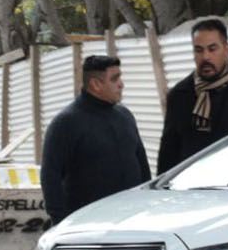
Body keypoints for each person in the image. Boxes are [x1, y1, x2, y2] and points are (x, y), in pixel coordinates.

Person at [40, 55, 151, 225]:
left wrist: (146, 203)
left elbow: (142, 165)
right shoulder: (67, 122)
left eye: (120, 77)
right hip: (87, 226)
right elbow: (50, 176)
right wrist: (61, 223)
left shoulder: (125, 116)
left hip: (130, 220)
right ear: (95, 84)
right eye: (114, 79)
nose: (121, 84)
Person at [157, 18, 228, 174]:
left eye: (212, 49)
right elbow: (169, 152)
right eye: (199, 50)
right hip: (193, 187)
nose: (206, 57)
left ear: (226, 49)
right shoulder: (179, 95)